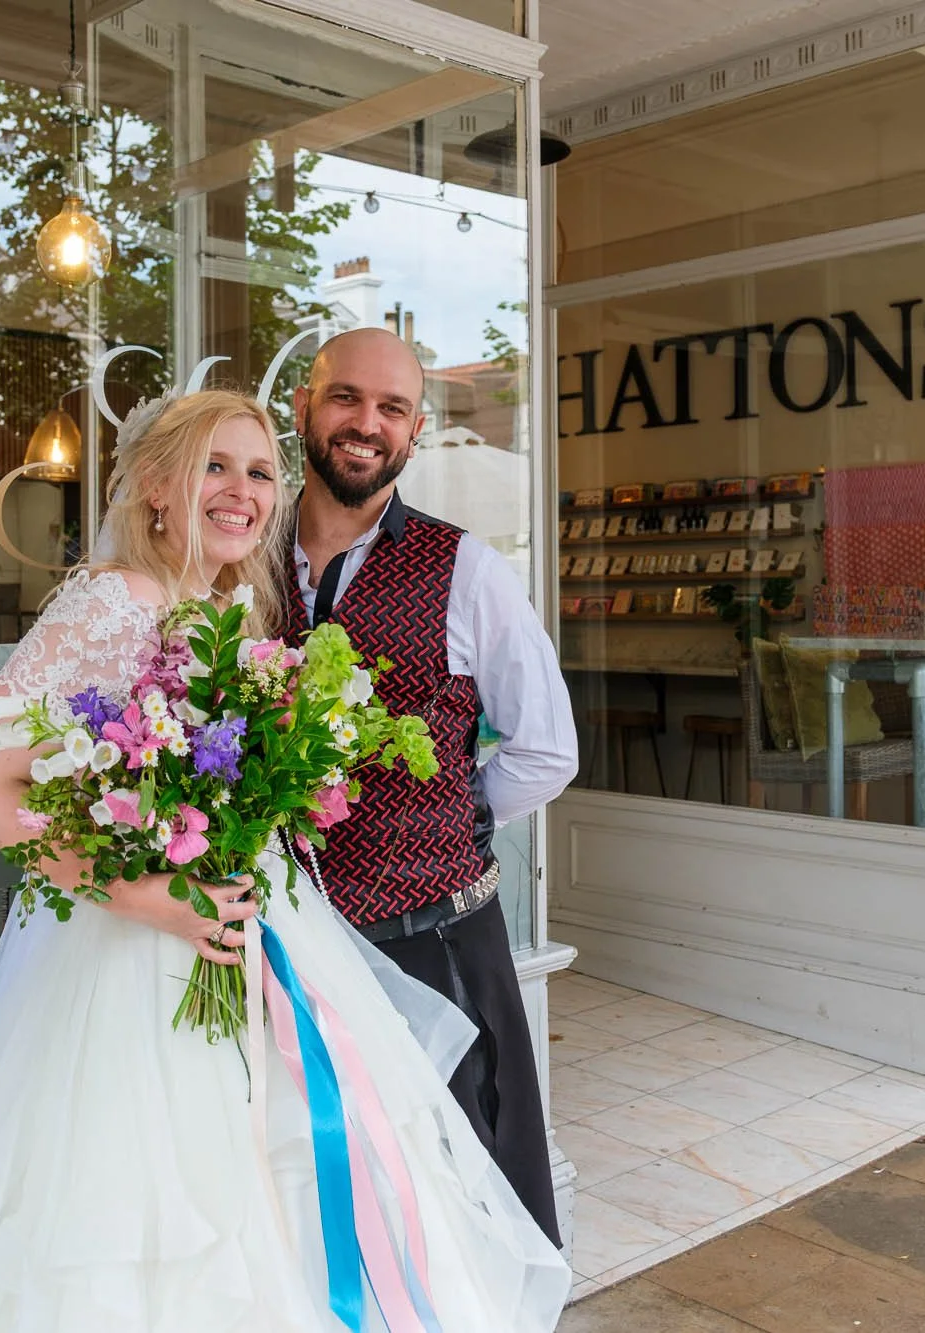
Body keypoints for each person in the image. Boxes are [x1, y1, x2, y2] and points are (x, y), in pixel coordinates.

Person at [0, 388, 568, 1332]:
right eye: (216, 465)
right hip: (139, 964)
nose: (243, 491)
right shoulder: (113, 600)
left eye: (259, 471)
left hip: (257, 940)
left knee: (289, 1196)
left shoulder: (231, 612)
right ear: (158, 489)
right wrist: (143, 893)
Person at [281, 328, 576, 1246]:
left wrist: (454, 813)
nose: (366, 424)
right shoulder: (240, 560)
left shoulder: (466, 569)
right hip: (288, 950)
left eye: (393, 408)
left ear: (413, 431)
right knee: (322, 1196)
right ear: (303, 405)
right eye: (346, 399)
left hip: (432, 942)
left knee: (468, 1196)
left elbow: (546, 748)